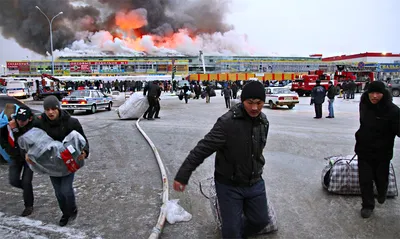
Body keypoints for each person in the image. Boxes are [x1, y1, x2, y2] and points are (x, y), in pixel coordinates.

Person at [174, 81, 270, 239]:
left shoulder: (263, 121)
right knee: (231, 231)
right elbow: (202, 149)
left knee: (260, 221)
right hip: (229, 186)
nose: (254, 108)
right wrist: (183, 175)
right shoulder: (227, 123)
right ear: (242, 101)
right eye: (250, 103)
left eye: (259, 103)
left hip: (255, 182)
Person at [31, 96, 89, 226]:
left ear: (58, 108)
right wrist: (28, 154)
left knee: (66, 189)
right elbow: (32, 140)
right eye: (47, 109)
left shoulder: (71, 122)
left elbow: (82, 140)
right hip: (51, 163)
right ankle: (65, 213)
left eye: (53, 109)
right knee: (58, 192)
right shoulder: (39, 123)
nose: (50, 112)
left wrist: (84, 151)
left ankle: (72, 207)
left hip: (69, 161)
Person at [355, 81, 400, 218]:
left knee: (381, 178)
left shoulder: (393, 110)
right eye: (371, 93)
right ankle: (367, 205)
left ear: (384, 94)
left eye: (378, 93)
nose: (374, 96)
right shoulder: (364, 104)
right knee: (365, 179)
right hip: (364, 150)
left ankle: (382, 191)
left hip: (382, 152)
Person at [0, 106, 35, 216]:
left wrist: (15, 130)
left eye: (23, 120)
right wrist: (10, 151)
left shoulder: (33, 126)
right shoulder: (9, 125)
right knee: (13, 180)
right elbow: (2, 139)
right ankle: (27, 190)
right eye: (19, 119)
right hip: (15, 157)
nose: (20, 122)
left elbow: (24, 140)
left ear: (29, 119)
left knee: (26, 181)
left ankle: (28, 205)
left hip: (29, 157)